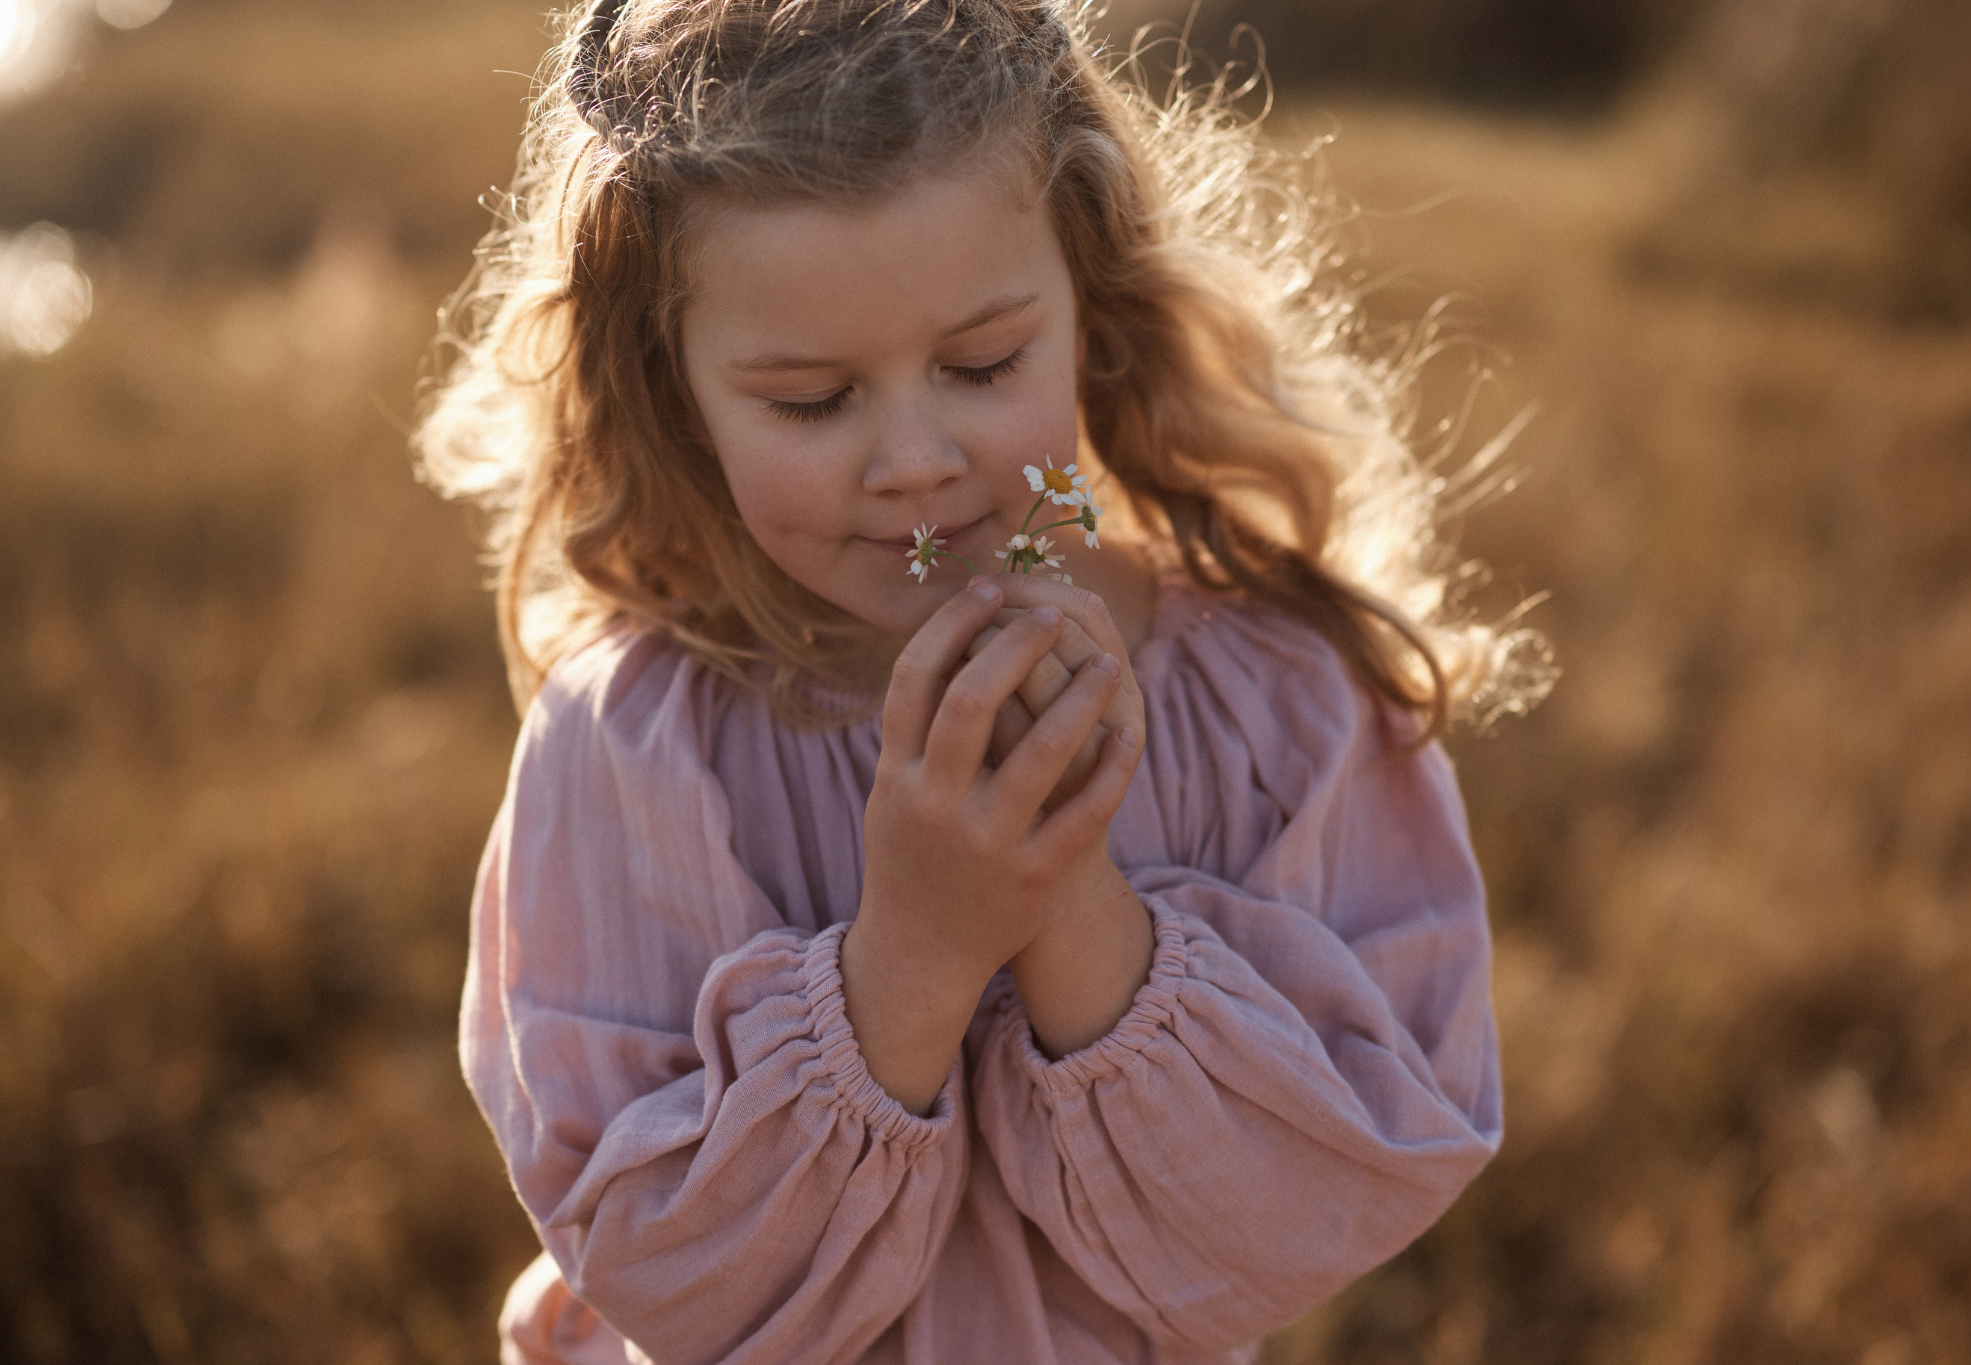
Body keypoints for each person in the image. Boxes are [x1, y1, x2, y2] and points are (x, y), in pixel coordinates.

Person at [416, 1, 1546, 1360]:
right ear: (674, 394)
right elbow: (661, 1261)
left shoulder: (1272, 693)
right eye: (810, 398)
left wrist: (1065, 895)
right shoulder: (639, 744)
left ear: (1094, 311)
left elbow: (1332, 1188)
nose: (912, 458)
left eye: (984, 364)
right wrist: (915, 955)